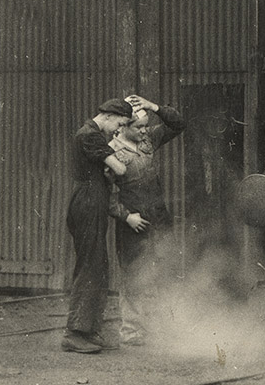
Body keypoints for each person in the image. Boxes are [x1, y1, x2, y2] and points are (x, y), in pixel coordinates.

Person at [107, 94, 186, 346]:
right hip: (133, 222)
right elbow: (103, 195)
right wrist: (125, 216)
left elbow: (179, 124)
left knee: (164, 269)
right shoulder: (110, 152)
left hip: (159, 218)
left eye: (145, 126)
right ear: (123, 126)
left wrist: (154, 107)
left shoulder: (148, 139)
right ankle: (131, 331)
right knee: (133, 276)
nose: (144, 131)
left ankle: (162, 327)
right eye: (139, 127)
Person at [63, 98, 135, 354]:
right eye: (120, 123)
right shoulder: (90, 136)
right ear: (108, 115)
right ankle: (74, 332)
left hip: (92, 201)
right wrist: (119, 159)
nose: (118, 130)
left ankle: (89, 329)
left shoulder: (93, 135)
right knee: (90, 266)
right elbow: (120, 169)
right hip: (88, 202)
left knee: (98, 265)